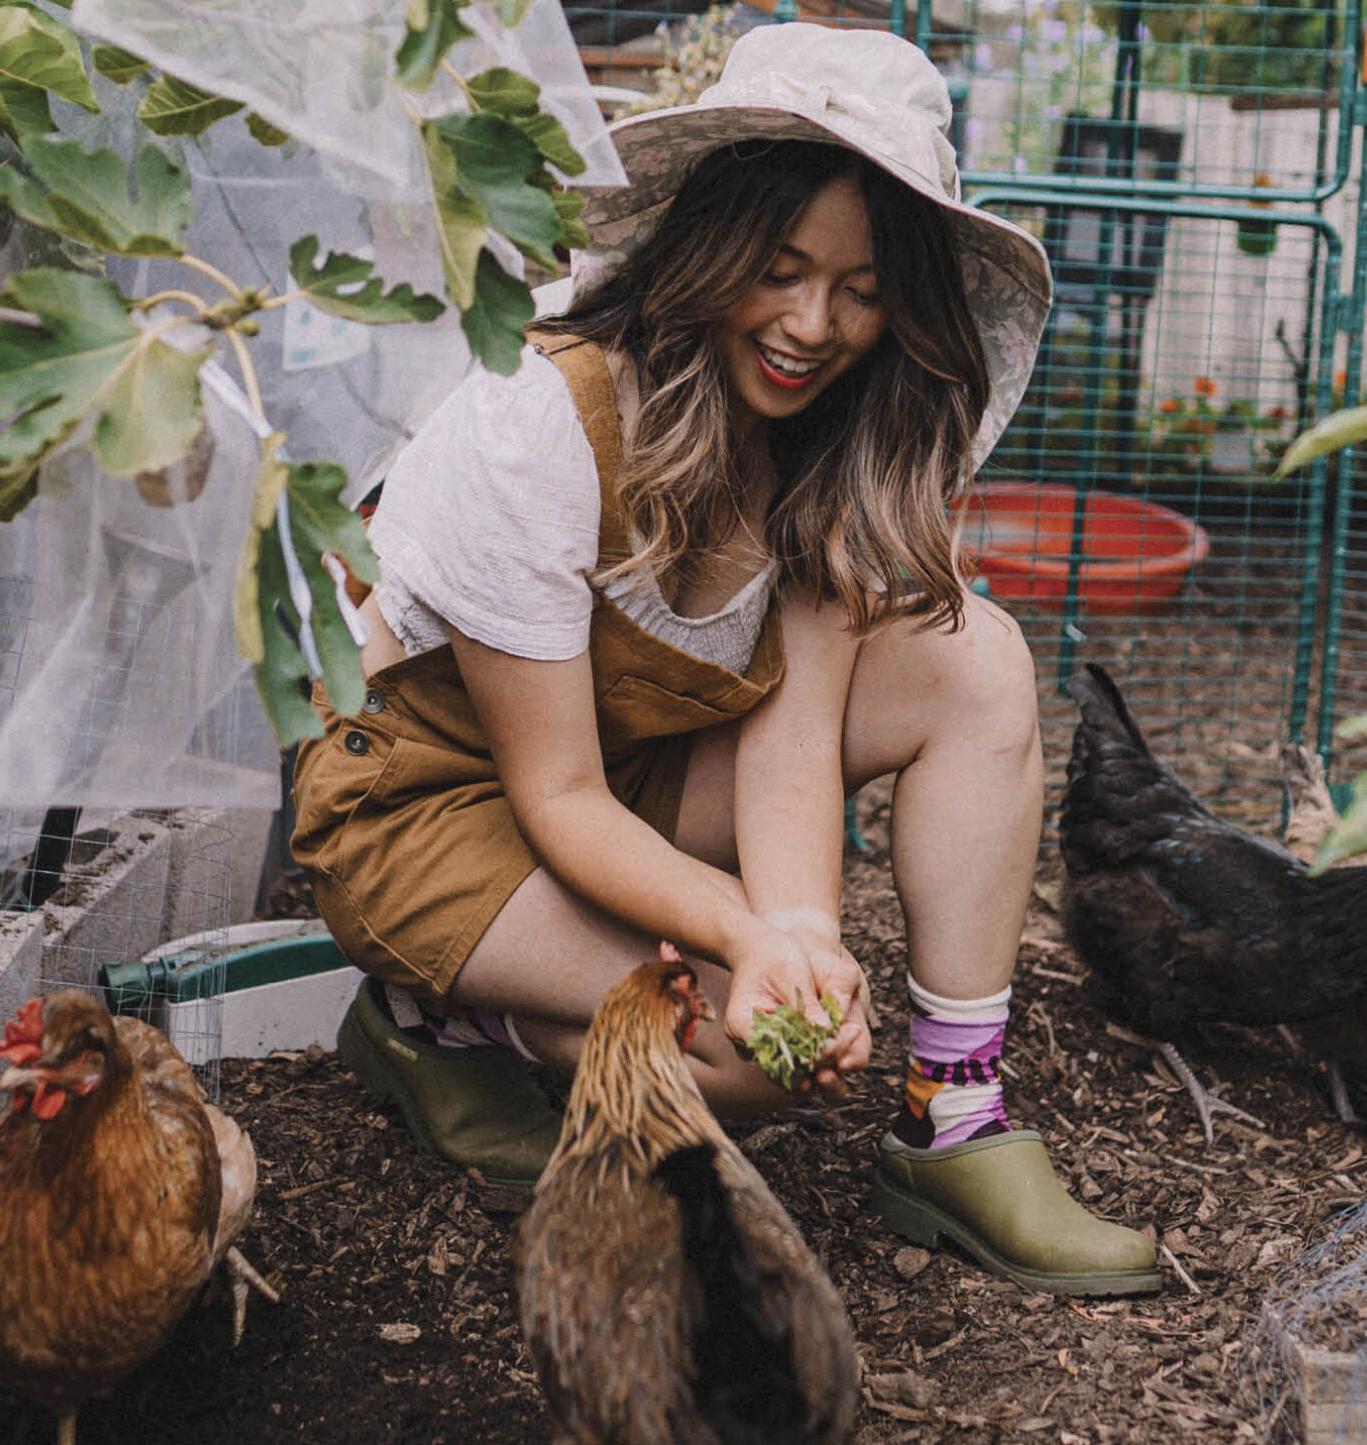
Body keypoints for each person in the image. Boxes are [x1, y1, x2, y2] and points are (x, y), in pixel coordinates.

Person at [288, 22, 1159, 1297]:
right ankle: (441, 1019)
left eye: (862, 290)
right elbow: (558, 795)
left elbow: (790, 731)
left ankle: (956, 1115)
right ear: (710, 245)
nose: (815, 325)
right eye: (781, 267)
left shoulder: (828, 436)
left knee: (973, 659)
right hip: (432, 798)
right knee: (747, 1059)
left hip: (621, 770)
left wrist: (796, 932)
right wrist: (740, 935)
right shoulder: (540, 418)